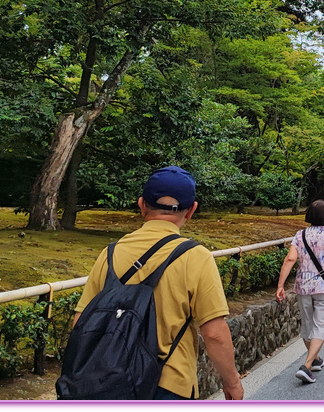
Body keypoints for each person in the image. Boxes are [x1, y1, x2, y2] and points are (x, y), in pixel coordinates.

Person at [72, 166, 243, 400]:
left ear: (142, 204)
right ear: (191, 210)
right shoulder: (195, 256)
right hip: (169, 387)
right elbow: (214, 333)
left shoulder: (110, 254)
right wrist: (232, 381)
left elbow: (82, 321)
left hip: (109, 385)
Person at [275, 200, 324, 384]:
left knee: (307, 325)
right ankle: (307, 366)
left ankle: (315, 359)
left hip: (303, 287)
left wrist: (280, 285)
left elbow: (290, 259)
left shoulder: (300, 235)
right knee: (320, 326)